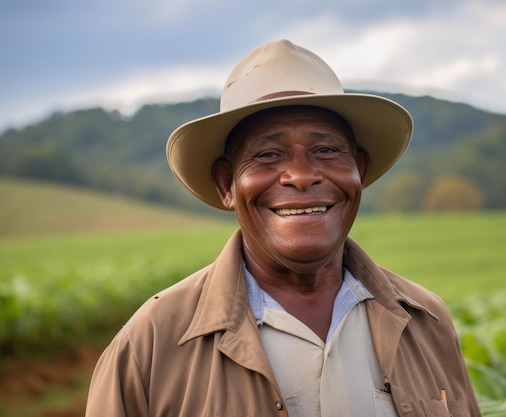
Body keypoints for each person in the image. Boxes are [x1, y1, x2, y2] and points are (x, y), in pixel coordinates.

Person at [86, 39, 482, 417]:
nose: (301, 175)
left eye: (325, 150)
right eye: (268, 155)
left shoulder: (426, 321)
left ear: (358, 172)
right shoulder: (151, 343)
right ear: (227, 185)